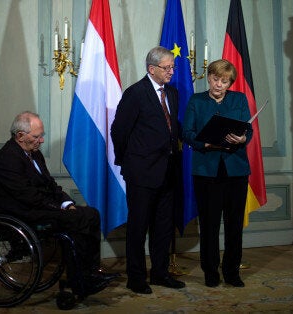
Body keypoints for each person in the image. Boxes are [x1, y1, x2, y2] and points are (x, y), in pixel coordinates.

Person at [0, 111, 118, 296]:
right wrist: (61, 210)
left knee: (92, 214)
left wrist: (66, 203)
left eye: (42, 136)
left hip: (37, 207)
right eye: (37, 136)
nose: (41, 141)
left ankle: (91, 271)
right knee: (76, 220)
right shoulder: (7, 159)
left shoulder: (34, 155)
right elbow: (28, 197)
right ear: (20, 136)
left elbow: (51, 186)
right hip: (21, 214)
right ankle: (80, 281)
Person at [111, 46, 185, 294]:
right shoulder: (135, 93)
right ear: (152, 69)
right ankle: (136, 278)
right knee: (138, 226)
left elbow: (173, 128)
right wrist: (129, 162)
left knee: (163, 227)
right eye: (167, 68)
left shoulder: (172, 93)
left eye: (173, 67)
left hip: (168, 172)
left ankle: (160, 273)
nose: (172, 72)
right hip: (141, 173)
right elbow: (119, 131)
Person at [182, 59, 253, 288]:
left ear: (230, 83)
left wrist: (243, 138)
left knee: (234, 225)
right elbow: (187, 133)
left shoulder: (239, 99)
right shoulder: (196, 100)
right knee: (210, 225)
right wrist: (207, 145)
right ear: (208, 77)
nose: (218, 84)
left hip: (236, 171)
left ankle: (232, 272)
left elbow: (248, 130)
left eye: (224, 81)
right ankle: (210, 272)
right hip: (206, 171)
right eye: (215, 79)